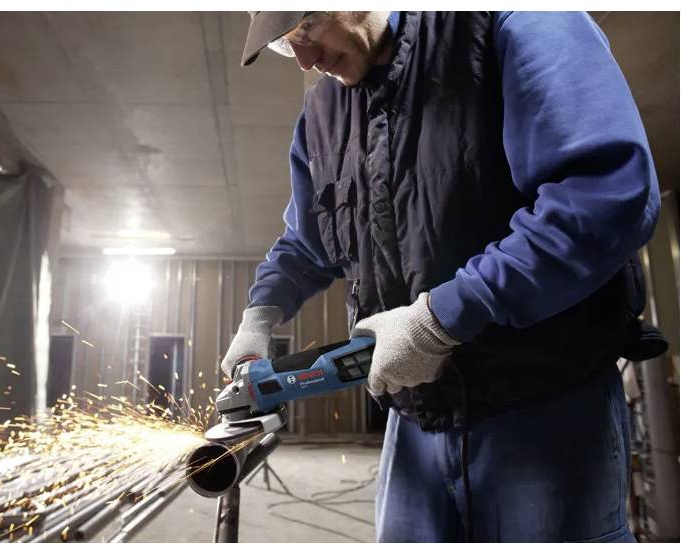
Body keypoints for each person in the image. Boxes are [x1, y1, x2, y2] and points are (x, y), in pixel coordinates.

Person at [222, 11, 660, 542]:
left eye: (307, 26)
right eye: (286, 44)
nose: (305, 59)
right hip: (414, 426)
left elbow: (603, 197)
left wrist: (444, 317)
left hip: (544, 408)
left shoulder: (509, 25)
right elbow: (305, 243)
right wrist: (260, 314)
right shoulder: (322, 111)